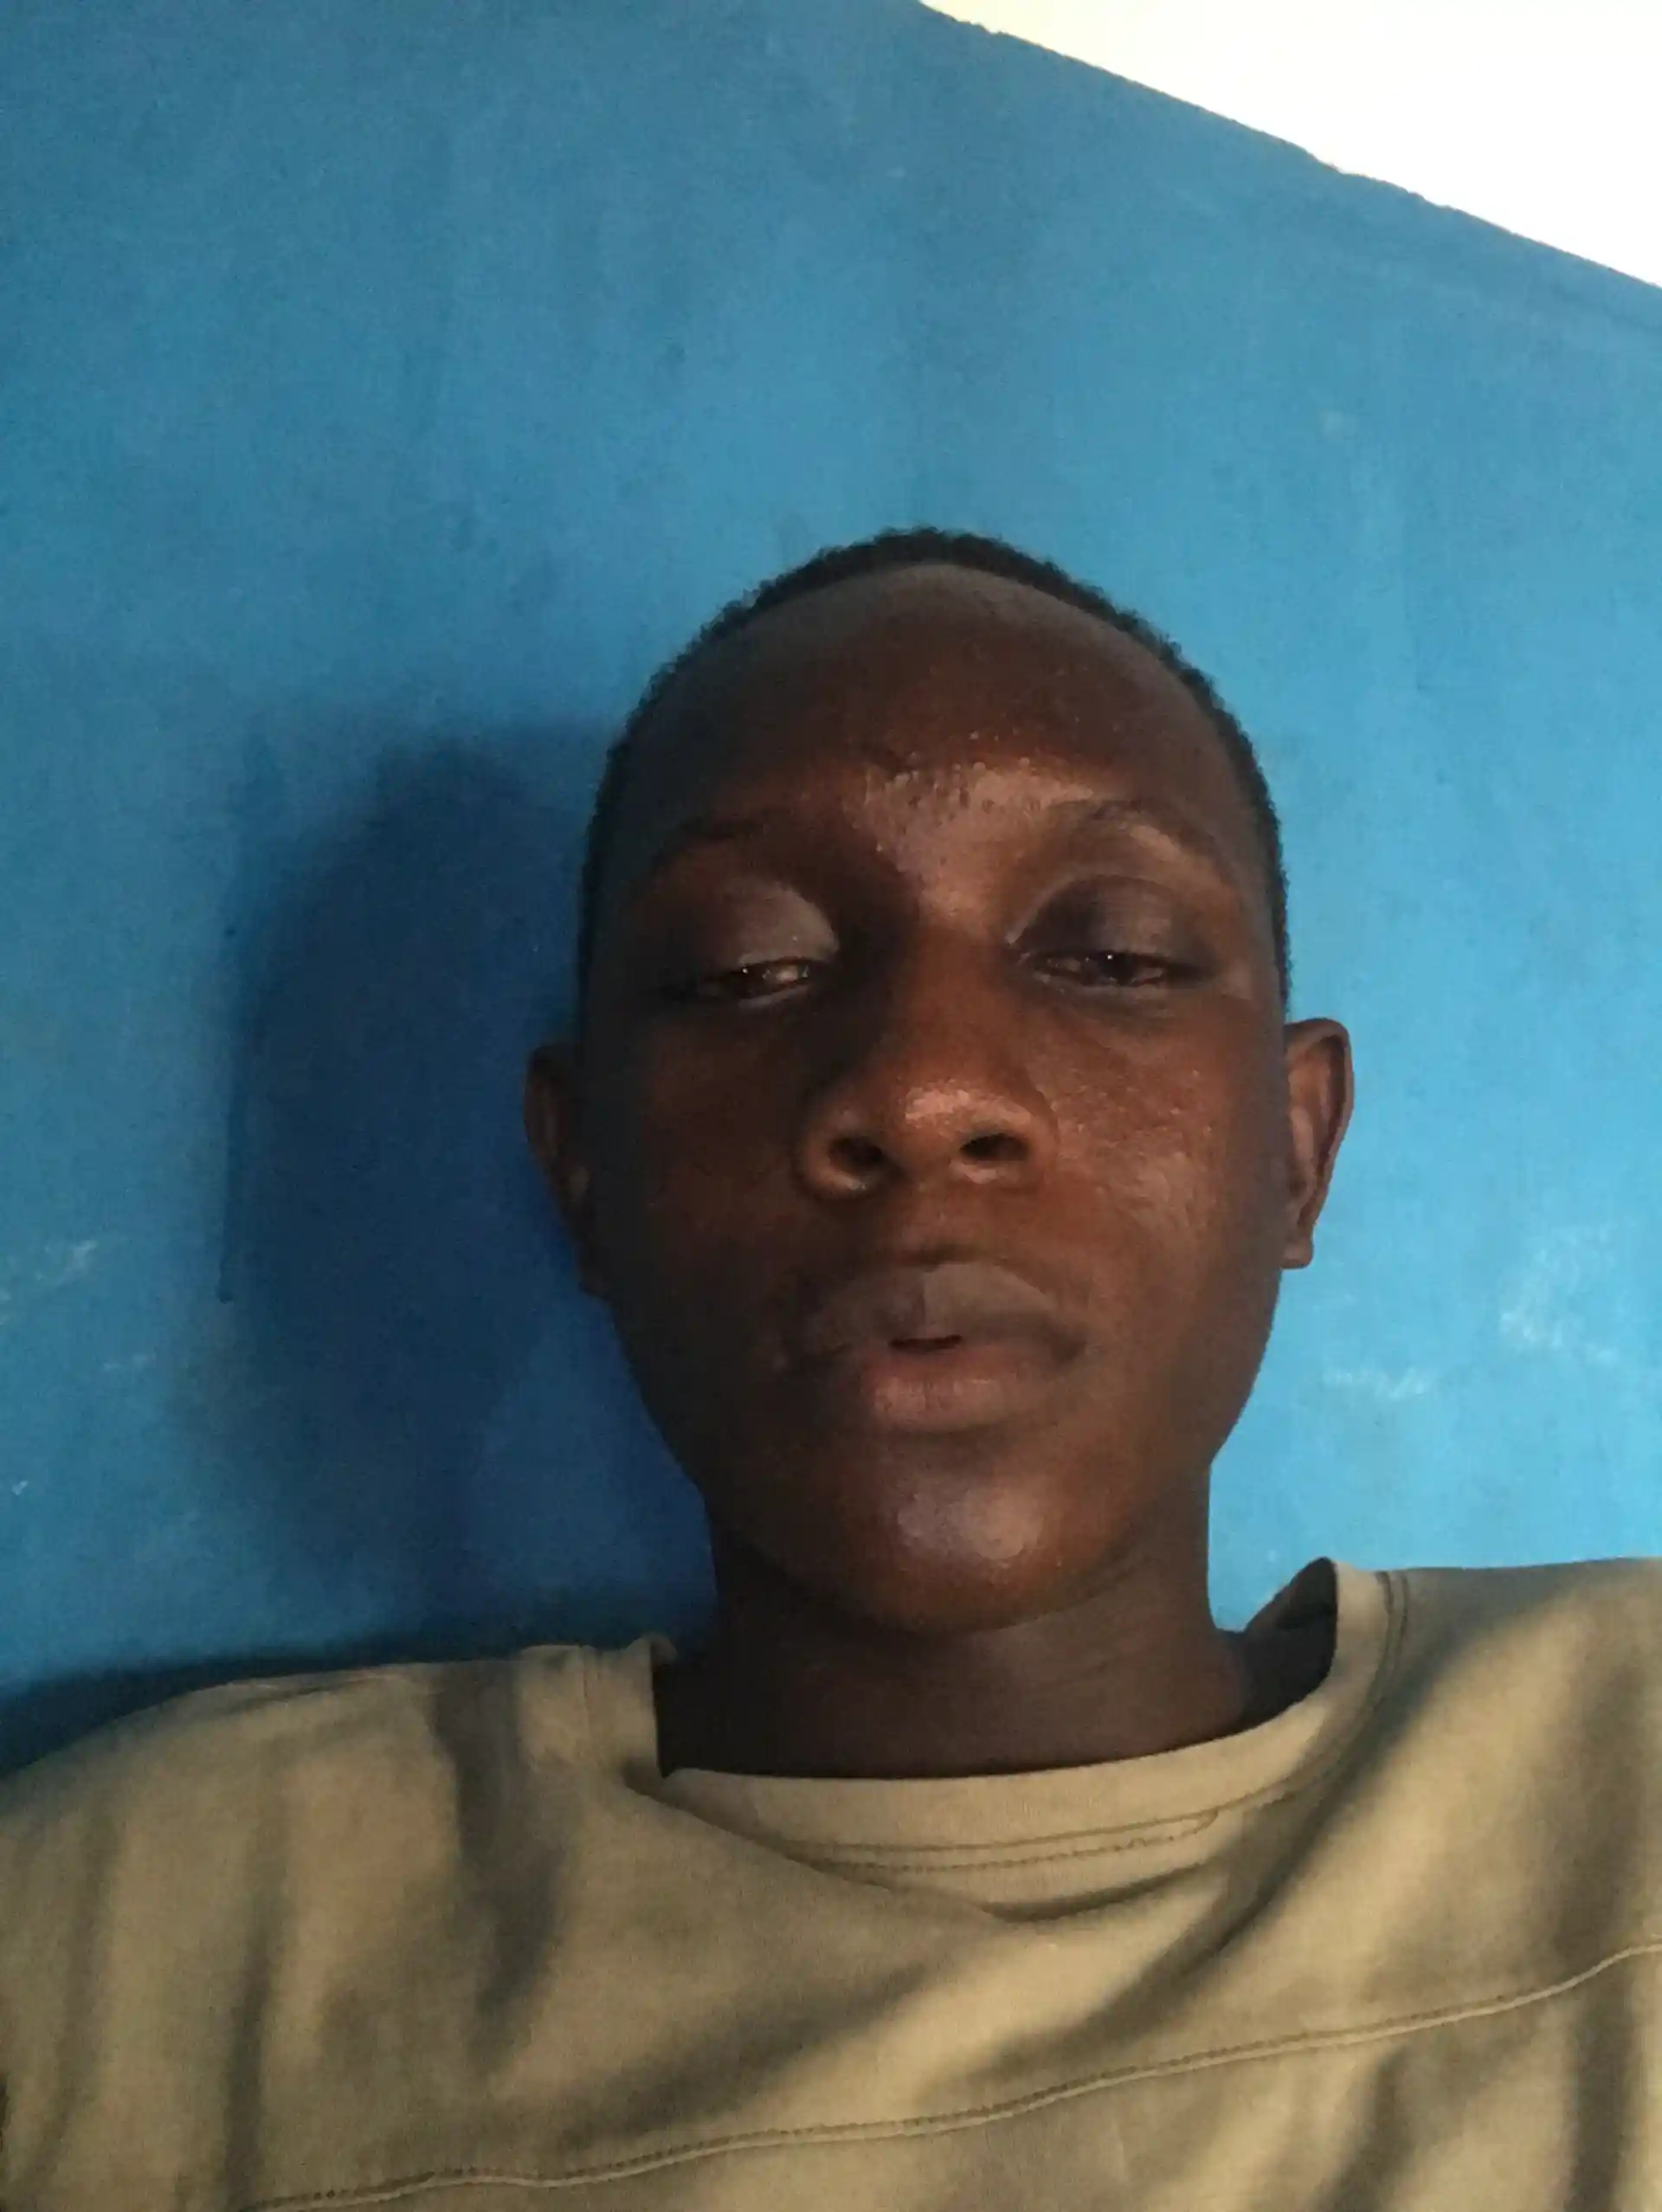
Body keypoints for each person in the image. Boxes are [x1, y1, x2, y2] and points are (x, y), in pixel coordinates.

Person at [0, 529, 1657, 2212]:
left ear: (1293, 1152)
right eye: (746, 969)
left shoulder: (1625, 1770)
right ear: (585, 1173)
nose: (923, 1090)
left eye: (1113, 955)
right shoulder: (153, 1952)